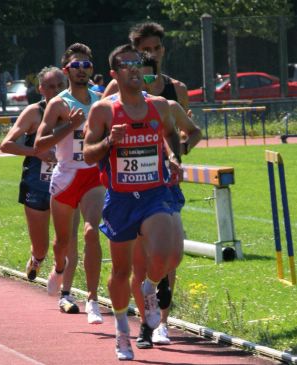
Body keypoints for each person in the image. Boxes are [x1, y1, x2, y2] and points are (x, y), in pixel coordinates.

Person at [83, 44, 183, 361]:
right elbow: (88, 154)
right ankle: (122, 332)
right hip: (121, 198)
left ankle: (151, 288)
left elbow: (170, 135)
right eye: (126, 65)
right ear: (114, 74)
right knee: (121, 270)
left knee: (166, 254)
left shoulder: (160, 106)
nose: (134, 69)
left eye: (137, 63)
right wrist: (110, 140)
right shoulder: (103, 111)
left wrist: (172, 158)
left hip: (155, 192)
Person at [132, 53, 202, 349]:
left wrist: (178, 151)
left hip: (165, 187)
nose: (143, 84)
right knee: (140, 258)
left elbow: (194, 131)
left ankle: (163, 322)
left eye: (149, 78)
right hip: (132, 191)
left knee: (171, 256)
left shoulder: (168, 107)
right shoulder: (116, 107)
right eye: (137, 77)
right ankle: (144, 323)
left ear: (157, 79)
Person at [34, 43, 105, 324]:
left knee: (91, 233)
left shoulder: (100, 100)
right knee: (63, 241)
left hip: (92, 174)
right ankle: (59, 268)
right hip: (65, 176)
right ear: (67, 71)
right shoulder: (58, 104)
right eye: (76, 66)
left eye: (86, 65)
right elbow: (40, 143)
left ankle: (92, 299)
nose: (82, 70)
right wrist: (69, 126)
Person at [0, 67, 82, 305]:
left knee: (67, 239)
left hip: (66, 184)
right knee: (42, 246)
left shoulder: (75, 111)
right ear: (41, 89)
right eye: (50, 86)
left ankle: (65, 291)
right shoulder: (34, 113)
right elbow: (6, 144)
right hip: (37, 184)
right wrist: (37, 153)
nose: (56, 91)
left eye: (60, 85)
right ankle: (37, 259)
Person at [103, 21, 189, 112]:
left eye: (157, 48)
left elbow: (187, 124)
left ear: (163, 50)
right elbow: (97, 119)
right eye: (146, 50)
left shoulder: (179, 89)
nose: (153, 54)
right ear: (135, 53)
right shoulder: (118, 84)